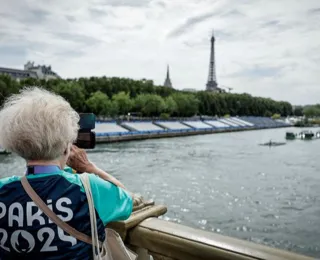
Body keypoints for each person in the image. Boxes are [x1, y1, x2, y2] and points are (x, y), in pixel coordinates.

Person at [0, 87, 133, 259]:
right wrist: (89, 167)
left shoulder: (3, 189)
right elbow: (126, 201)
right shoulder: (89, 188)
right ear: (66, 146)